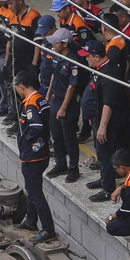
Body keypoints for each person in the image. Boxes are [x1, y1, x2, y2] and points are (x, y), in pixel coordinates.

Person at [13, 72, 56, 242]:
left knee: (35, 193)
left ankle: (48, 229)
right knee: (32, 189)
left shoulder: (30, 104)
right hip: (41, 153)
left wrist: (27, 140)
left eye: (17, 88)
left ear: (21, 87)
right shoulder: (41, 99)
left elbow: (36, 127)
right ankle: (31, 221)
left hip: (32, 157)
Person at [83, 40, 127, 202]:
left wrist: (102, 126)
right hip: (98, 119)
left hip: (108, 124)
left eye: (88, 56)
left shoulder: (109, 75)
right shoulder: (101, 69)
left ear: (96, 57)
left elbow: (108, 103)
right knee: (102, 153)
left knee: (104, 155)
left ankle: (108, 189)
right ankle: (104, 179)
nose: (86, 59)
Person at [45, 28, 83, 182]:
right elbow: (53, 76)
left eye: (56, 43)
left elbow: (71, 87)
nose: (53, 45)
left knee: (69, 138)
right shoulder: (57, 56)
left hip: (67, 103)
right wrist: (48, 95)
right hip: (54, 99)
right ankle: (61, 163)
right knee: (56, 136)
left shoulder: (73, 61)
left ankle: (73, 168)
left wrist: (63, 108)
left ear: (65, 44)